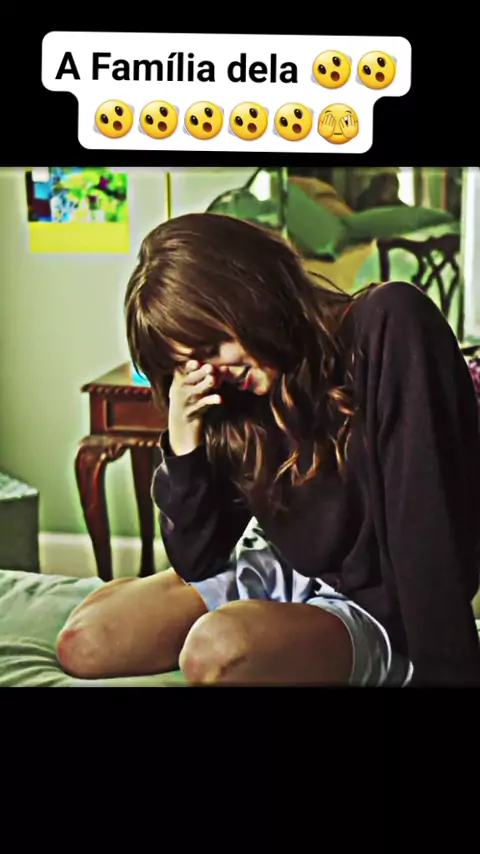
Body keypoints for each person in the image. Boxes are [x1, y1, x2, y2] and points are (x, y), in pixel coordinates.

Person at [56, 213, 480, 686]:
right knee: (84, 642)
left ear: (249, 293)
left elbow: (426, 520)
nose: (211, 373)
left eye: (212, 347)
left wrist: (446, 670)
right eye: (190, 365)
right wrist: (183, 437)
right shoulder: (235, 397)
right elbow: (198, 561)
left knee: (215, 652)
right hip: (284, 566)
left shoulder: (389, 321)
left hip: (376, 602)